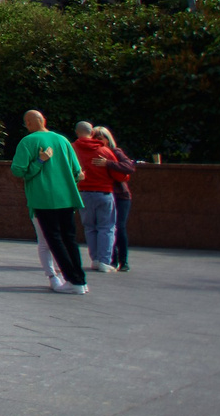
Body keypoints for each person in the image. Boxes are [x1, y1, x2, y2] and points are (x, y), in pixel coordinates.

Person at [11, 109, 88, 294]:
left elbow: (18, 170)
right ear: (44, 120)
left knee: (54, 239)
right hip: (67, 197)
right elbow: (77, 172)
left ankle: (72, 281)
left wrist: (39, 162)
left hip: (43, 198)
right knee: (69, 239)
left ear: (28, 123)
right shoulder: (63, 140)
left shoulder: (27, 141)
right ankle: (80, 281)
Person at [73, 120, 127, 273]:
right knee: (106, 227)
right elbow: (120, 175)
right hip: (104, 193)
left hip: (83, 192)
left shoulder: (72, 148)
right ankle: (104, 261)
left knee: (89, 227)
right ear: (92, 133)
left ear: (77, 133)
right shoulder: (104, 151)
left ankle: (95, 259)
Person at [97, 125, 134, 271]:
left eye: (100, 138)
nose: (97, 142)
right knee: (107, 228)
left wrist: (108, 163)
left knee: (119, 227)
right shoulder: (94, 153)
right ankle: (111, 259)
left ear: (107, 139)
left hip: (120, 196)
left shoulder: (115, 152)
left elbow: (129, 167)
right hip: (104, 194)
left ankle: (123, 261)